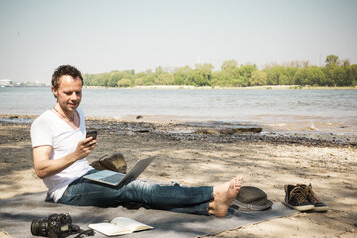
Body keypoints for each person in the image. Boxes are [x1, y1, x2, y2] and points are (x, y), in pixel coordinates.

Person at [30, 65, 242, 217]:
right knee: (136, 189)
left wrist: (82, 156)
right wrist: (76, 155)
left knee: (140, 188)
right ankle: (213, 192)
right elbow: (41, 169)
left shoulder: (80, 114)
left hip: (89, 175)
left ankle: (210, 208)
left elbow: (78, 160)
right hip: (67, 190)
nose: (74, 98)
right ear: (54, 91)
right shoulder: (43, 123)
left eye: (78, 92)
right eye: (68, 93)